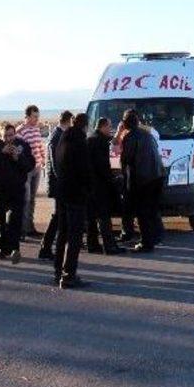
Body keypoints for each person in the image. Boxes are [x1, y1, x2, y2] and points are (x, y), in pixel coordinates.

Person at [0, 124, 35, 263]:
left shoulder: (22, 145)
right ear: (0, 135)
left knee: (15, 219)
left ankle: (15, 248)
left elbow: (30, 164)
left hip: (17, 188)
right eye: (5, 136)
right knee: (1, 219)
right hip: (0, 189)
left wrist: (18, 158)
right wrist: (1, 153)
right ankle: (3, 248)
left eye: (11, 135)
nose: (8, 138)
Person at [53, 112, 91, 289]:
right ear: (85, 126)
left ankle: (58, 270)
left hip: (62, 191)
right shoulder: (80, 142)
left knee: (63, 232)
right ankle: (69, 274)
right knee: (75, 236)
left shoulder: (63, 138)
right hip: (75, 194)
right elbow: (84, 171)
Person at [120, 109, 165, 253]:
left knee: (143, 212)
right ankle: (156, 236)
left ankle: (147, 243)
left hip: (143, 179)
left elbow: (126, 161)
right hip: (157, 176)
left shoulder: (130, 138)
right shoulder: (147, 135)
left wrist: (126, 184)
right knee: (152, 209)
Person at [86, 118, 126, 255]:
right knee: (104, 217)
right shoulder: (99, 142)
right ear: (103, 126)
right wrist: (112, 179)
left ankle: (93, 245)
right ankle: (109, 246)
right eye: (109, 126)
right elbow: (102, 166)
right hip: (99, 185)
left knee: (91, 217)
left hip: (91, 185)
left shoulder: (92, 138)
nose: (110, 129)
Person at [38, 110, 73, 261]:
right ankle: (46, 247)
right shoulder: (57, 136)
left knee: (59, 215)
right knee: (58, 215)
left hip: (58, 182)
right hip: (58, 183)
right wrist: (63, 180)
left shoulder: (58, 134)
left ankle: (47, 246)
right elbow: (56, 162)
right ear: (69, 121)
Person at [16, 105, 46, 237]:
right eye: (34, 117)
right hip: (26, 169)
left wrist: (44, 159)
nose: (36, 119)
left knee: (33, 199)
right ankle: (22, 228)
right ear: (27, 116)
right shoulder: (20, 131)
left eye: (38, 117)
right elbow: (18, 150)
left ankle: (30, 227)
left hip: (37, 167)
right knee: (25, 199)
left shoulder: (36, 130)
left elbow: (40, 146)